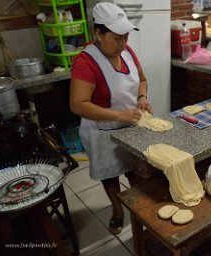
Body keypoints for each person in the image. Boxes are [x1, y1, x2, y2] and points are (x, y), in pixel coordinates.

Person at [70, 2, 152, 235]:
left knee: (136, 171)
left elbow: (142, 80)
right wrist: (119, 114)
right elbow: (78, 105)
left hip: (131, 124)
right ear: (98, 33)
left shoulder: (126, 52)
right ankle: (117, 211)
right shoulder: (85, 63)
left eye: (125, 37)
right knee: (110, 176)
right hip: (102, 131)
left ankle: (140, 208)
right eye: (116, 38)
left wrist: (142, 98)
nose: (123, 44)